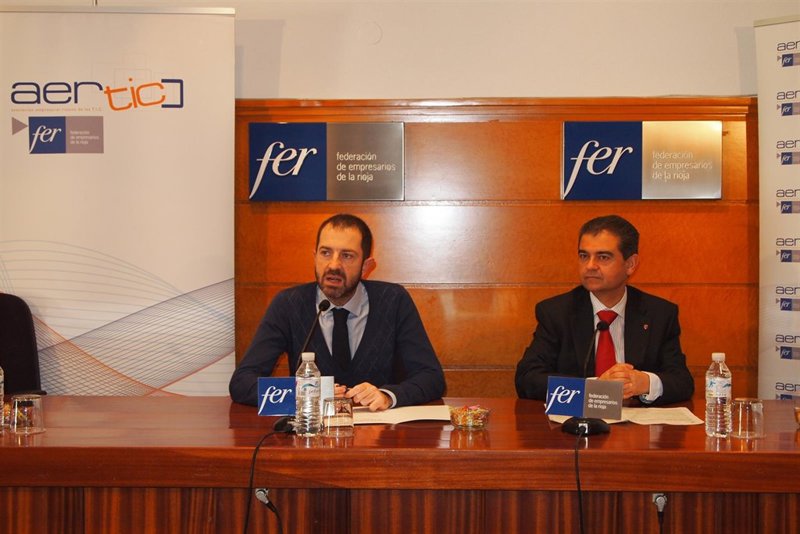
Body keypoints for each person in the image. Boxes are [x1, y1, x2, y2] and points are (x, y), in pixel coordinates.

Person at [230, 213, 446, 411]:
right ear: (315, 257)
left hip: (379, 434)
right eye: (325, 253)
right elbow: (242, 382)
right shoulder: (289, 304)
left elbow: (432, 378)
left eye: (347, 256)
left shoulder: (393, 301)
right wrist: (304, 395)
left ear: (366, 266)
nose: (333, 265)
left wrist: (388, 396)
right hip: (311, 433)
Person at [515, 215, 694, 405]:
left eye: (603, 257)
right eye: (584, 256)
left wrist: (645, 383)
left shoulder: (659, 314)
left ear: (630, 264)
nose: (590, 266)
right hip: (578, 422)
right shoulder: (556, 313)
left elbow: (683, 382)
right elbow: (527, 379)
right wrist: (593, 388)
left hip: (637, 422)